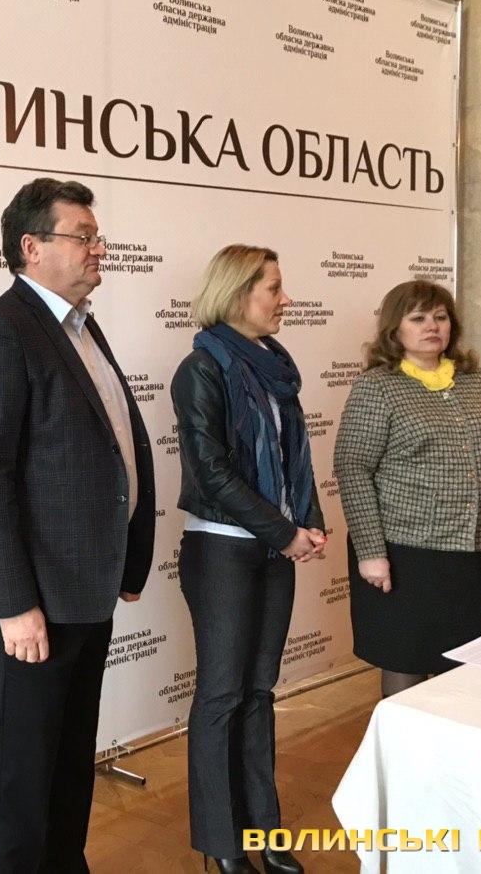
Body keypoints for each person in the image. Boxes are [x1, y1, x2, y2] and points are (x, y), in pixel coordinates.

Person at [0, 177, 156, 873]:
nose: (99, 248)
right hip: (33, 601)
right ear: (32, 247)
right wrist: (15, 604)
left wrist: (130, 558)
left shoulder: (81, 326)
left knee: (70, 761)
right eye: (83, 236)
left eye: (98, 236)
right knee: (25, 776)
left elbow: (114, 445)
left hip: (84, 588)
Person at [170, 245, 325, 874]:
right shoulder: (201, 368)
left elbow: (294, 459)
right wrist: (283, 531)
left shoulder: (276, 368)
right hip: (222, 551)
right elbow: (211, 471)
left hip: (270, 547)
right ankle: (222, 844)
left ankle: (265, 832)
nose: (286, 300)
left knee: (259, 691)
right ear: (238, 293)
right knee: (222, 695)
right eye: (274, 288)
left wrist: (308, 520)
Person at [333, 279, 481, 699]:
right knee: (408, 662)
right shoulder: (378, 386)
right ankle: (404, 743)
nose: (432, 326)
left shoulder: (476, 380)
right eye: (418, 318)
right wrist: (371, 551)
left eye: (440, 317)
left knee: (470, 666)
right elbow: (352, 467)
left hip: (472, 555)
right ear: (394, 329)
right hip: (406, 556)